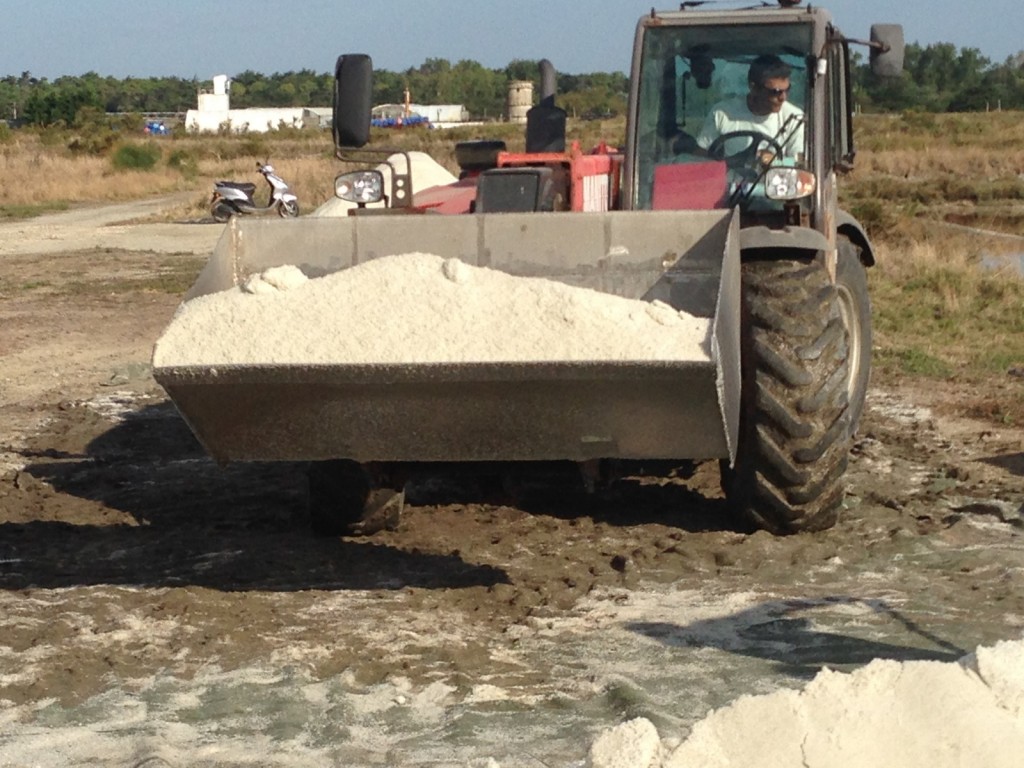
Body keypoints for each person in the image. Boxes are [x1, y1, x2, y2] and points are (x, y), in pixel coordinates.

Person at [696, 54, 805, 162]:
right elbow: (702, 154)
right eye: (775, 92)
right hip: (729, 178)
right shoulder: (721, 113)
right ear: (753, 87)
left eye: (787, 89)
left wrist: (774, 161)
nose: (783, 97)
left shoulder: (794, 117)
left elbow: (799, 163)